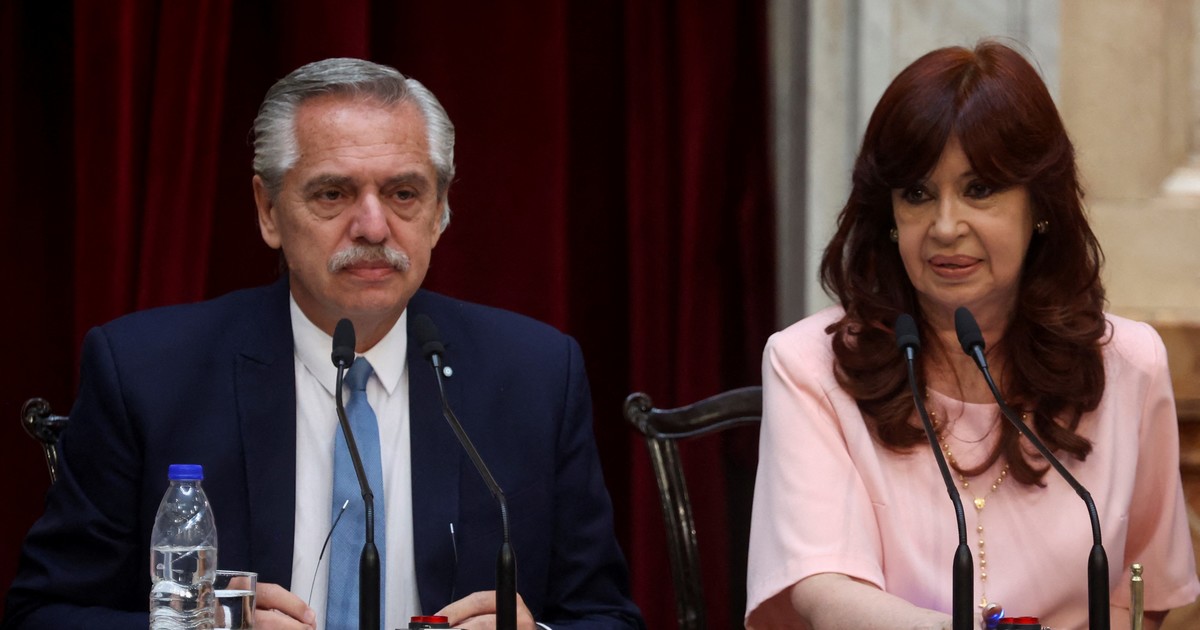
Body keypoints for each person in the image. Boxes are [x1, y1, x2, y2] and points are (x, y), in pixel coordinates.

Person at [2, 58, 644, 630]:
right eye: (333, 193)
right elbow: (42, 613)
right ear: (268, 211)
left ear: (439, 211)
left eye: (403, 193)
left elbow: (605, 615)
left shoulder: (535, 375)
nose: (373, 226)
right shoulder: (148, 373)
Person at [745, 40, 1200, 630]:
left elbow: (1143, 594)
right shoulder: (809, 365)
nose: (945, 226)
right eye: (917, 194)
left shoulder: (1129, 367)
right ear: (889, 215)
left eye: (979, 189)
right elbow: (823, 589)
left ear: (1039, 203)